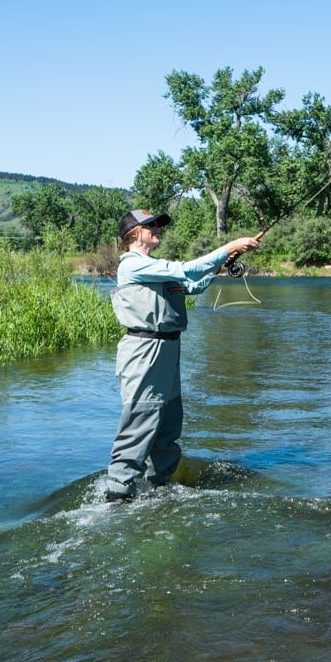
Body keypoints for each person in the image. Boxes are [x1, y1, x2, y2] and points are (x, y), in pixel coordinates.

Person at [105, 209, 260, 502]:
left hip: (168, 349)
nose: (158, 229)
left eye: (158, 225)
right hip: (144, 351)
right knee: (142, 419)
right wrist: (229, 247)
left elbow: (191, 285)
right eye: (152, 225)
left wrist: (219, 266)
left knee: (168, 423)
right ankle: (118, 494)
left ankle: (160, 489)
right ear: (133, 233)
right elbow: (187, 269)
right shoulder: (133, 265)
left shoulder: (152, 267)